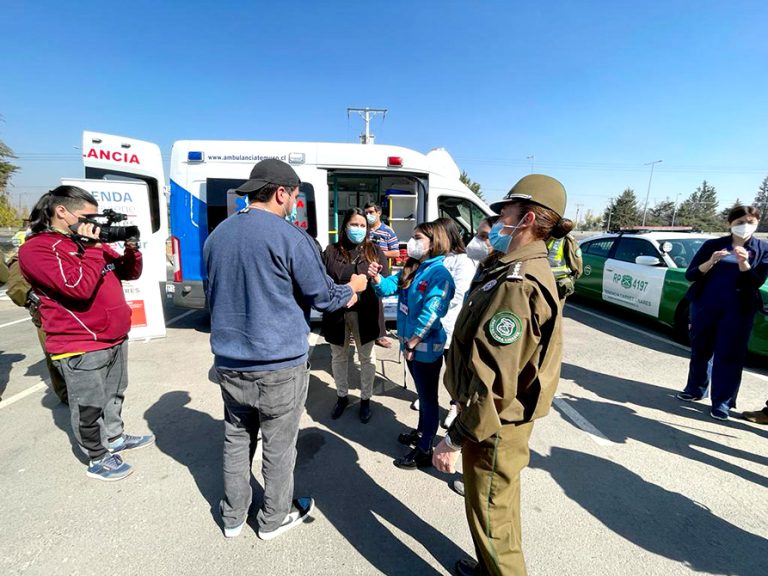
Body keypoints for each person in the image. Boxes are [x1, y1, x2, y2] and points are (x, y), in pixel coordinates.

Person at [204, 158, 366, 540]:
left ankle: (233, 516)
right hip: (278, 364)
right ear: (281, 193)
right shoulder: (292, 238)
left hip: (230, 362)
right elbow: (324, 297)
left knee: (236, 437)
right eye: (294, 195)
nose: (294, 202)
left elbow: (214, 296)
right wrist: (353, 288)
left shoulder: (218, 236)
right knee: (279, 445)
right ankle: (273, 519)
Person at [433, 174, 570, 576]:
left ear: (526, 219)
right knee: (491, 510)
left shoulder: (518, 282)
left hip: (494, 423)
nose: (495, 225)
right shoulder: (510, 267)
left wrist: (454, 437)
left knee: (494, 517)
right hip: (493, 419)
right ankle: (487, 567)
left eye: (503, 214)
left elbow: (494, 380)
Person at [18, 185, 153, 481]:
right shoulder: (38, 248)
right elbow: (76, 288)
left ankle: (115, 437)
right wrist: (91, 248)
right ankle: (98, 457)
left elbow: (127, 272)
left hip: (114, 336)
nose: (95, 224)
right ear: (61, 212)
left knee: (114, 394)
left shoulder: (87, 242)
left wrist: (131, 249)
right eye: (87, 216)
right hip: (80, 342)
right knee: (89, 404)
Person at [369, 221, 455, 470]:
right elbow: (388, 288)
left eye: (418, 238)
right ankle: (421, 433)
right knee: (422, 395)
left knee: (428, 399)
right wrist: (376, 278)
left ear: (434, 242)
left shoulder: (439, 274)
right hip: (411, 346)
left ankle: (426, 449)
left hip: (424, 348)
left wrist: (414, 342)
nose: (413, 242)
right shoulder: (413, 267)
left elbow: (432, 313)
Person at [676, 205, 768, 421]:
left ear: (757, 224)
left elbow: (756, 281)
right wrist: (711, 261)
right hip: (706, 305)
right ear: (730, 224)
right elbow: (691, 275)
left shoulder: (762, 249)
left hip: (738, 310)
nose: (745, 227)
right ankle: (695, 389)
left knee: (730, 355)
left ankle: (722, 402)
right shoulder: (713, 245)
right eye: (739, 223)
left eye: (751, 222)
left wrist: (744, 263)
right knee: (701, 350)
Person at [323, 208, 388, 423]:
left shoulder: (375, 251)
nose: (358, 229)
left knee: (367, 358)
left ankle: (366, 399)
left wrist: (376, 276)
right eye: (354, 224)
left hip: (366, 313)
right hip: (337, 314)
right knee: (338, 356)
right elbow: (323, 281)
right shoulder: (331, 251)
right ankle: (341, 396)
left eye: (362, 225)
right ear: (345, 226)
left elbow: (386, 285)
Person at [433, 217, 476, 431]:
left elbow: (457, 294)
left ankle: (454, 405)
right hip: (431, 324)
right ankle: (427, 398)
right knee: (431, 365)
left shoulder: (463, 260)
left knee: (453, 370)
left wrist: (433, 307)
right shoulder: (436, 257)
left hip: (449, 323)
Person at [364, 201, 400, 348]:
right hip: (364, 269)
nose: (368, 215)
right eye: (366, 212)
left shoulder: (387, 231)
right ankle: (359, 332)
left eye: (371, 212)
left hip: (380, 270)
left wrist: (377, 252)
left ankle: (379, 334)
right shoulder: (364, 229)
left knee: (377, 302)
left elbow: (396, 252)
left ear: (378, 213)